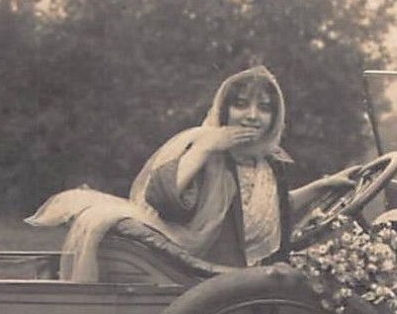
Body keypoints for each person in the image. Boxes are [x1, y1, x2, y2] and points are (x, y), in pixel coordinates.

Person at [27, 66, 350, 281]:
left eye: (264, 108)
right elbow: (164, 198)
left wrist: (324, 185)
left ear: (275, 117)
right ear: (225, 110)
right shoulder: (205, 153)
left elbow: (273, 212)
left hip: (253, 279)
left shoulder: (270, 163)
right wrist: (207, 148)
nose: (252, 117)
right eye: (241, 105)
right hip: (206, 279)